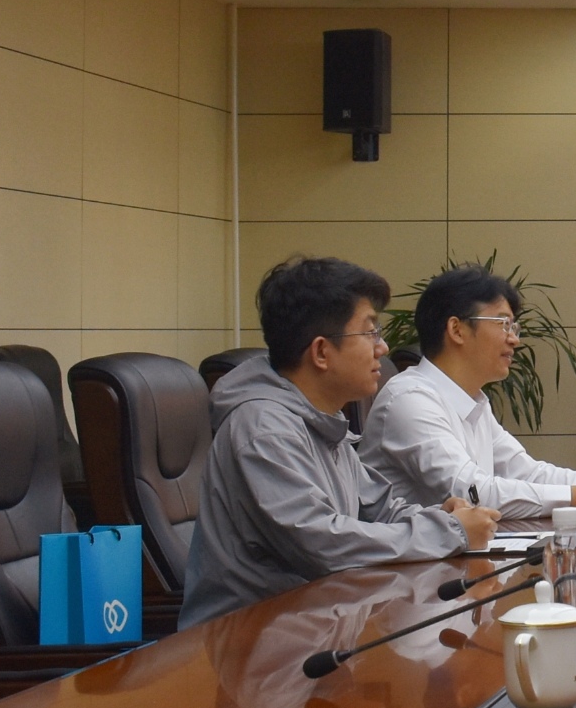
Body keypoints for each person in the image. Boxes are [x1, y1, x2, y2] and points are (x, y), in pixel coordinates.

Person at [181, 257, 498, 628]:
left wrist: (442, 516)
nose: (382, 347)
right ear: (320, 352)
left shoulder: (320, 419)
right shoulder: (263, 429)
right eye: (370, 333)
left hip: (317, 626)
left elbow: (380, 508)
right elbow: (323, 544)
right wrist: (450, 531)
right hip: (247, 640)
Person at [361, 264, 576, 520]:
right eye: (503, 324)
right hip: (399, 571)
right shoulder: (409, 400)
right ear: (456, 330)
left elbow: (527, 472)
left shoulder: (473, 401)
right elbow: (474, 493)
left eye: (514, 328)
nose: (514, 340)